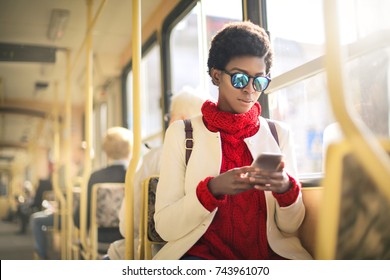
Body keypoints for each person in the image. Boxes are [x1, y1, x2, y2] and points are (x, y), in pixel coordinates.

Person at [153, 21, 312, 260]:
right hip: (202, 257)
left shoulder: (279, 134)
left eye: (259, 81)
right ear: (217, 76)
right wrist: (212, 190)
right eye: (240, 79)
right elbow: (165, 227)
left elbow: (290, 227)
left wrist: (285, 190)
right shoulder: (183, 134)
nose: (249, 90)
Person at [107, 87, 206, 260]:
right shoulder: (215, 158)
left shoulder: (153, 159)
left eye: (169, 118)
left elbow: (128, 224)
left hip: (156, 251)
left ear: (181, 120)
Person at [31, 126, 132, 259]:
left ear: (106, 151)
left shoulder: (96, 177)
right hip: (131, 241)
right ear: (130, 150)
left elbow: (80, 220)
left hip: (100, 241)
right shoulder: (135, 175)